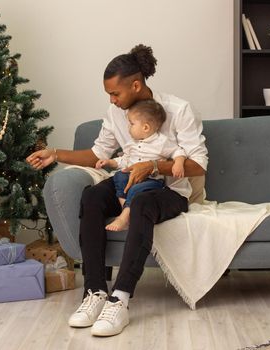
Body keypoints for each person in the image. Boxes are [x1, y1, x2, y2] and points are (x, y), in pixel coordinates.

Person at [26, 44, 208, 337]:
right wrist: (56, 154)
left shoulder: (179, 109)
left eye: (115, 93)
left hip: (169, 190)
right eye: (109, 95)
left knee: (141, 205)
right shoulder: (115, 113)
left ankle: (120, 298)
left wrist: (152, 167)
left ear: (136, 85)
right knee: (93, 196)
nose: (112, 100)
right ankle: (95, 292)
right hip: (128, 179)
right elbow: (98, 152)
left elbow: (198, 165)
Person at [95, 98, 189, 232]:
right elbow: (126, 160)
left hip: (151, 180)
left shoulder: (161, 142)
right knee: (120, 176)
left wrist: (178, 163)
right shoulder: (132, 144)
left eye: (131, 124)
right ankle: (126, 211)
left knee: (136, 191)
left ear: (145, 127)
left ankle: (124, 217)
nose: (128, 127)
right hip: (130, 178)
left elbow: (178, 151)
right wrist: (110, 162)